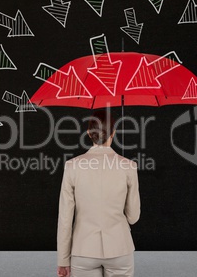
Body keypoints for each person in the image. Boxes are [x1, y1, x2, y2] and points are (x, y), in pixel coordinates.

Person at [57, 109, 141, 277]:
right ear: (114, 132)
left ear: (89, 133)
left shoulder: (72, 166)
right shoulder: (129, 166)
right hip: (120, 248)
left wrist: (63, 260)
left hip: (83, 250)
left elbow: (65, 219)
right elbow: (133, 217)